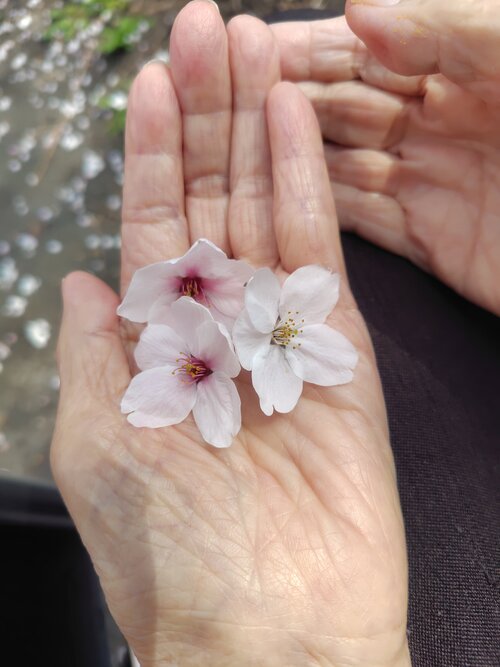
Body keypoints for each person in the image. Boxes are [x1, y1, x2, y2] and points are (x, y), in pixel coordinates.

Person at [51, 1, 499, 666]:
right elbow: (195, 336)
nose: (195, 365)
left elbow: (258, 315)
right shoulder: (196, 328)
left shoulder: (255, 318)